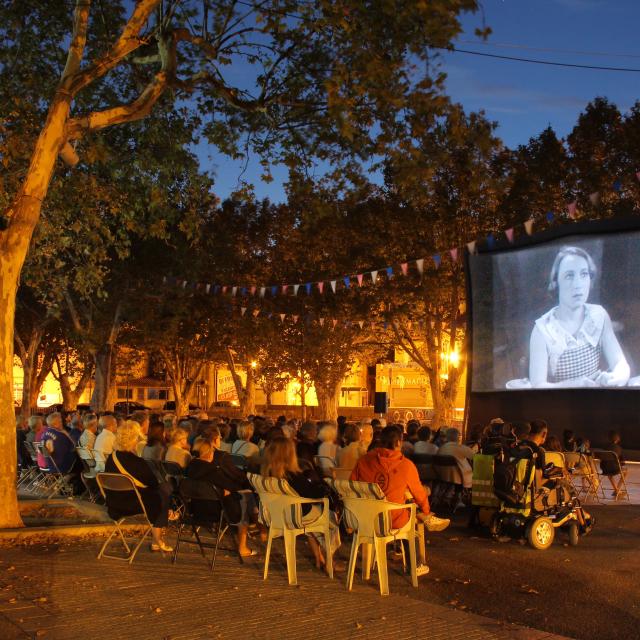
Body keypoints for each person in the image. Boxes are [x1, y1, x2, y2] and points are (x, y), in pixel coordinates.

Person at [529, 246, 630, 388]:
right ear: (555, 282)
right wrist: (575, 385)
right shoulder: (542, 330)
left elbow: (621, 364)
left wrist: (614, 378)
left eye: (584, 274)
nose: (578, 285)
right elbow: (538, 386)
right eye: (569, 276)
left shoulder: (599, 316)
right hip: (559, 404)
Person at [261, 437, 341, 572]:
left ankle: (318, 557)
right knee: (330, 517)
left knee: (313, 519)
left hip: (275, 515)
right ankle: (330, 561)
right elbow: (312, 494)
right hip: (296, 515)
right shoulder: (293, 476)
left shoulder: (266, 473)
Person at [351, 426, 450, 533]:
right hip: (393, 520)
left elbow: (352, 486)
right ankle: (424, 518)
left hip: (364, 518)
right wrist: (426, 510)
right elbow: (419, 494)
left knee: (405, 497)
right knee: (411, 500)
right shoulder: (406, 465)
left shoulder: (363, 461)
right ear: (398, 442)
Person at [104, 421, 173, 552]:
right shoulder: (136, 462)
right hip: (132, 504)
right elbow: (153, 483)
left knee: (159, 493)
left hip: (113, 503)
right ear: (134, 439)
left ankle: (158, 538)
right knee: (162, 494)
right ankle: (157, 540)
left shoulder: (111, 457)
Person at [187, 431, 256, 557]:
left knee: (240, 496)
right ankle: (243, 547)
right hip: (217, 512)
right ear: (209, 453)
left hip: (194, 511)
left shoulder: (189, 470)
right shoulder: (214, 473)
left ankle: (257, 527)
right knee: (245, 498)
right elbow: (234, 489)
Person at [600, 430, 628, 498]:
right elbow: (623, 463)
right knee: (626, 471)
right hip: (614, 468)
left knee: (610, 474)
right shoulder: (619, 448)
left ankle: (616, 490)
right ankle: (617, 490)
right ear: (617, 439)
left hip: (604, 468)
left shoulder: (604, 447)